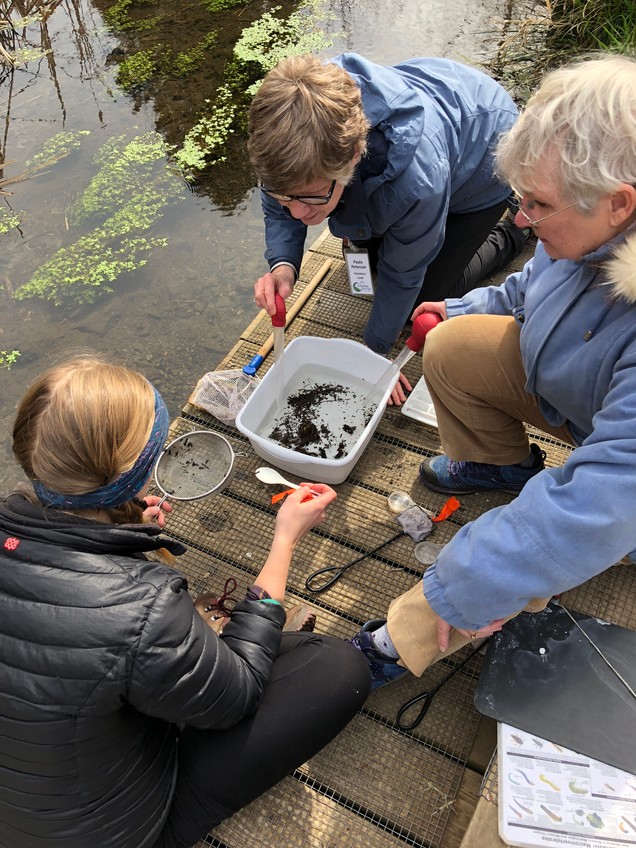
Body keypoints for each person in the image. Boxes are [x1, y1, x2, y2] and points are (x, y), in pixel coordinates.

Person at [348, 53, 636, 688]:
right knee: (451, 345)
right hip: (591, 394)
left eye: (538, 205)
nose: (520, 222)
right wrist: (453, 309)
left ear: (618, 203)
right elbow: (531, 285)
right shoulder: (592, 228)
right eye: (520, 200)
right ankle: (502, 463)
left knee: (576, 533)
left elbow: (588, 508)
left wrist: (440, 602)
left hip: (627, 483)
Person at [0, 356, 371, 847]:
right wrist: (285, 540)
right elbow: (238, 694)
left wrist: (123, 531)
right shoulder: (142, 607)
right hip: (117, 832)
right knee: (338, 668)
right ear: (135, 475)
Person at [248, 53, 527, 379]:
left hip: (486, 159)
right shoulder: (294, 117)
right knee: (366, 264)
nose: (298, 213)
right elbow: (283, 198)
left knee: (418, 303)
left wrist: (373, 353)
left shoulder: (416, 183)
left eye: (311, 196)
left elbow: (403, 273)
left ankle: (514, 232)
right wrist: (284, 265)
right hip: (434, 135)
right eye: (285, 196)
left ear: (353, 155)